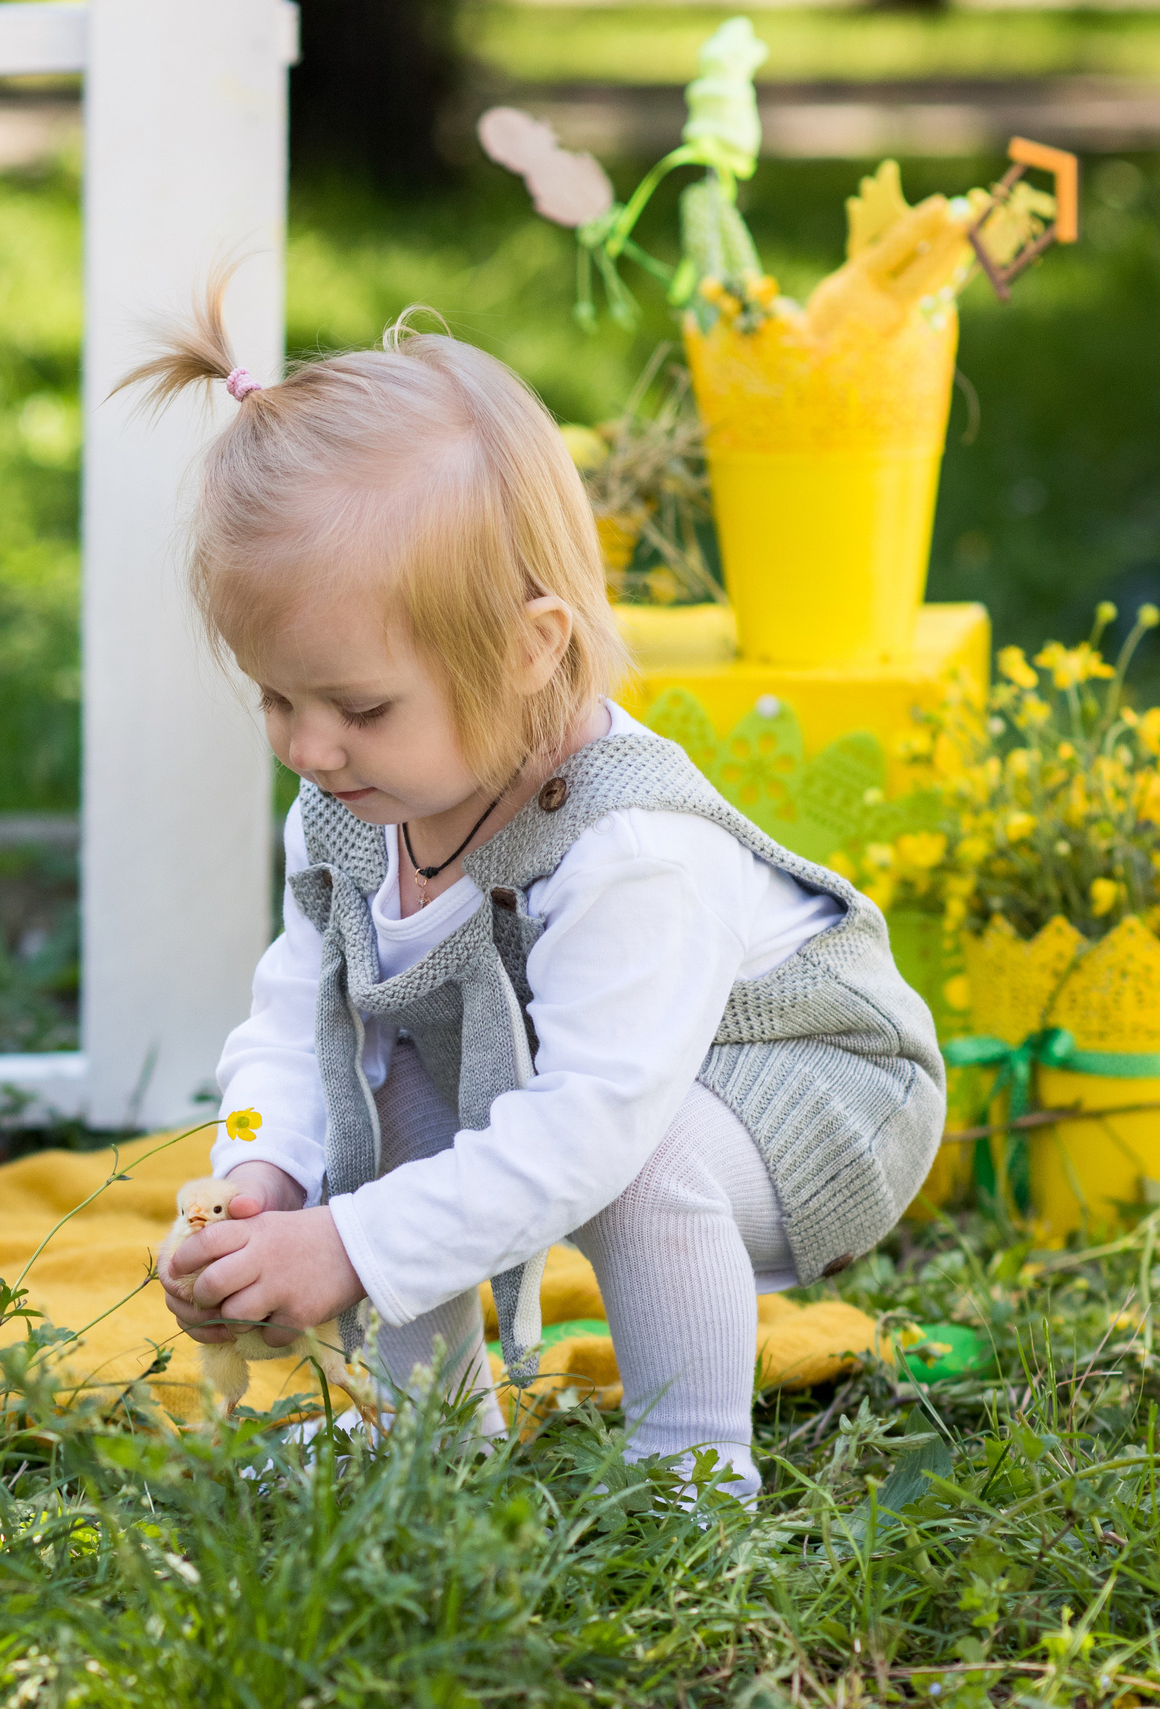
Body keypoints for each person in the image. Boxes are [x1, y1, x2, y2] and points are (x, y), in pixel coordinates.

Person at [140, 282, 945, 1498]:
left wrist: (352, 1244)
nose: (307, 746)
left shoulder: (630, 849)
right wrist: (265, 1175)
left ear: (530, 648)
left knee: (642, 1161)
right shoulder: (357, 804)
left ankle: (691, 1479)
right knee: (376, 1078)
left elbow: (591, 1127)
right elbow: (300, 1015)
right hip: (587, 1083)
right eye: (275, 697)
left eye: (358, 706)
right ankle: (429, 1434)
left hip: (812, 1094)